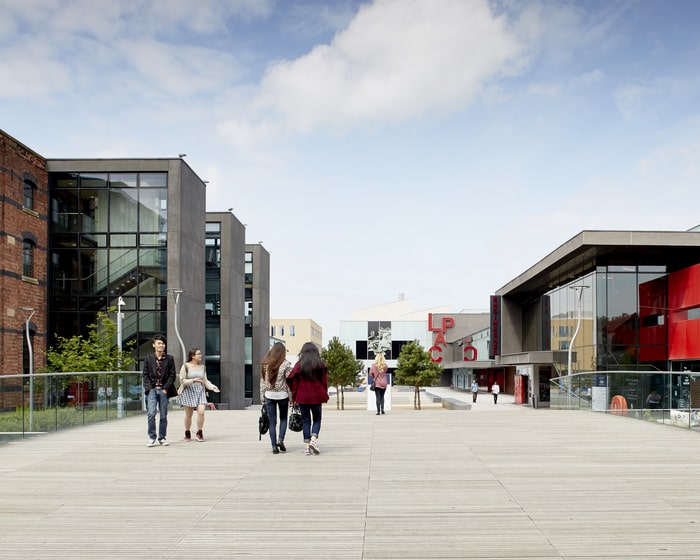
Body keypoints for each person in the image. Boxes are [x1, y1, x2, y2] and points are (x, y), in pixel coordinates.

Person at [286, 342, 329, 456]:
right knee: (317, 419)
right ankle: (313, 440)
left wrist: (294, 396)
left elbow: (292, 380)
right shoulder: (320, 364)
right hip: (316, 395)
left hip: (302, 396)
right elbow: (324, 382)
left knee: (306, 421)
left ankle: (307, 447)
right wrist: (325, 393)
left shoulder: (299, 365)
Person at [178, 347, 219, 442]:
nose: (200, 355)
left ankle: (199, 432)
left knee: (201, 412)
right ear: (192, 356)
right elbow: (182, 380)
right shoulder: (186, 366)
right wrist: (193, 380)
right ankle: (187, 432)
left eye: (200, 353)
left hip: (200, 391)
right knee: (189, 414)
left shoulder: (202, 367)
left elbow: (205, 380)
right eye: (198, 354)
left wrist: (212, 387)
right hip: (188, 390)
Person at [143, 334, 177, 446]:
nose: (161, 345)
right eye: (159, 343)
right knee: (151, 414)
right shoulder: (149, 358)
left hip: (163, 390)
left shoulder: (169, 359)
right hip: (152, 390)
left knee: (163, 415)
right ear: (154, 345)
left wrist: (166, 388)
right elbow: (145, 375)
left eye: (162, 343)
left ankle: (162, 437)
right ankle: (152, 437)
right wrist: (149, 389)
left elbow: (172, 375)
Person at [260, 342, 293, 454]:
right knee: (283, 418)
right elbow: (290, 382)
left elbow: (262, 383)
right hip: (283, 395)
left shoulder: (265, 364)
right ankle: (281, 439)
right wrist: (291, 397)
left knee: (272, 422)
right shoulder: (286, 364)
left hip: (269, 395)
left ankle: (274, 446)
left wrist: (262, 399)